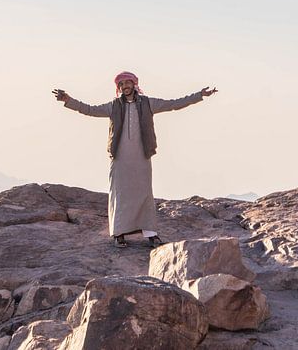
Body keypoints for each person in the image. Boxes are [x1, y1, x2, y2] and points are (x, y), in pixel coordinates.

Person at [52, 71, 217, 248]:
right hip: (120, 158)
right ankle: (119, 233)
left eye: (127, 83)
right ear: (119, 88)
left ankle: (151, 234)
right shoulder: (114, 106)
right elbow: (90, 110)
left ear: (134, 84)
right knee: (120, 194)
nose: (125, 87)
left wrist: (199, 95)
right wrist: (68, 100)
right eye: (121, 85)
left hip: (142, 156)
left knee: (144, 193)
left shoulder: (148, 103)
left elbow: (174, 104)